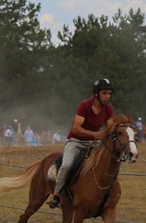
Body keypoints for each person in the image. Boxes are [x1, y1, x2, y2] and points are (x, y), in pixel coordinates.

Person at [49, 78, 115, 209]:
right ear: (96, 94)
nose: (108, 96)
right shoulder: (84, 105)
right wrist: (96, 135)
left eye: (109, 93)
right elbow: (76, 129)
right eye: (105, 93)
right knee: (67, 165)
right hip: (76, 141)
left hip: (94, 143)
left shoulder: (108, 108)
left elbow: (110, 128)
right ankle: (56, 194)